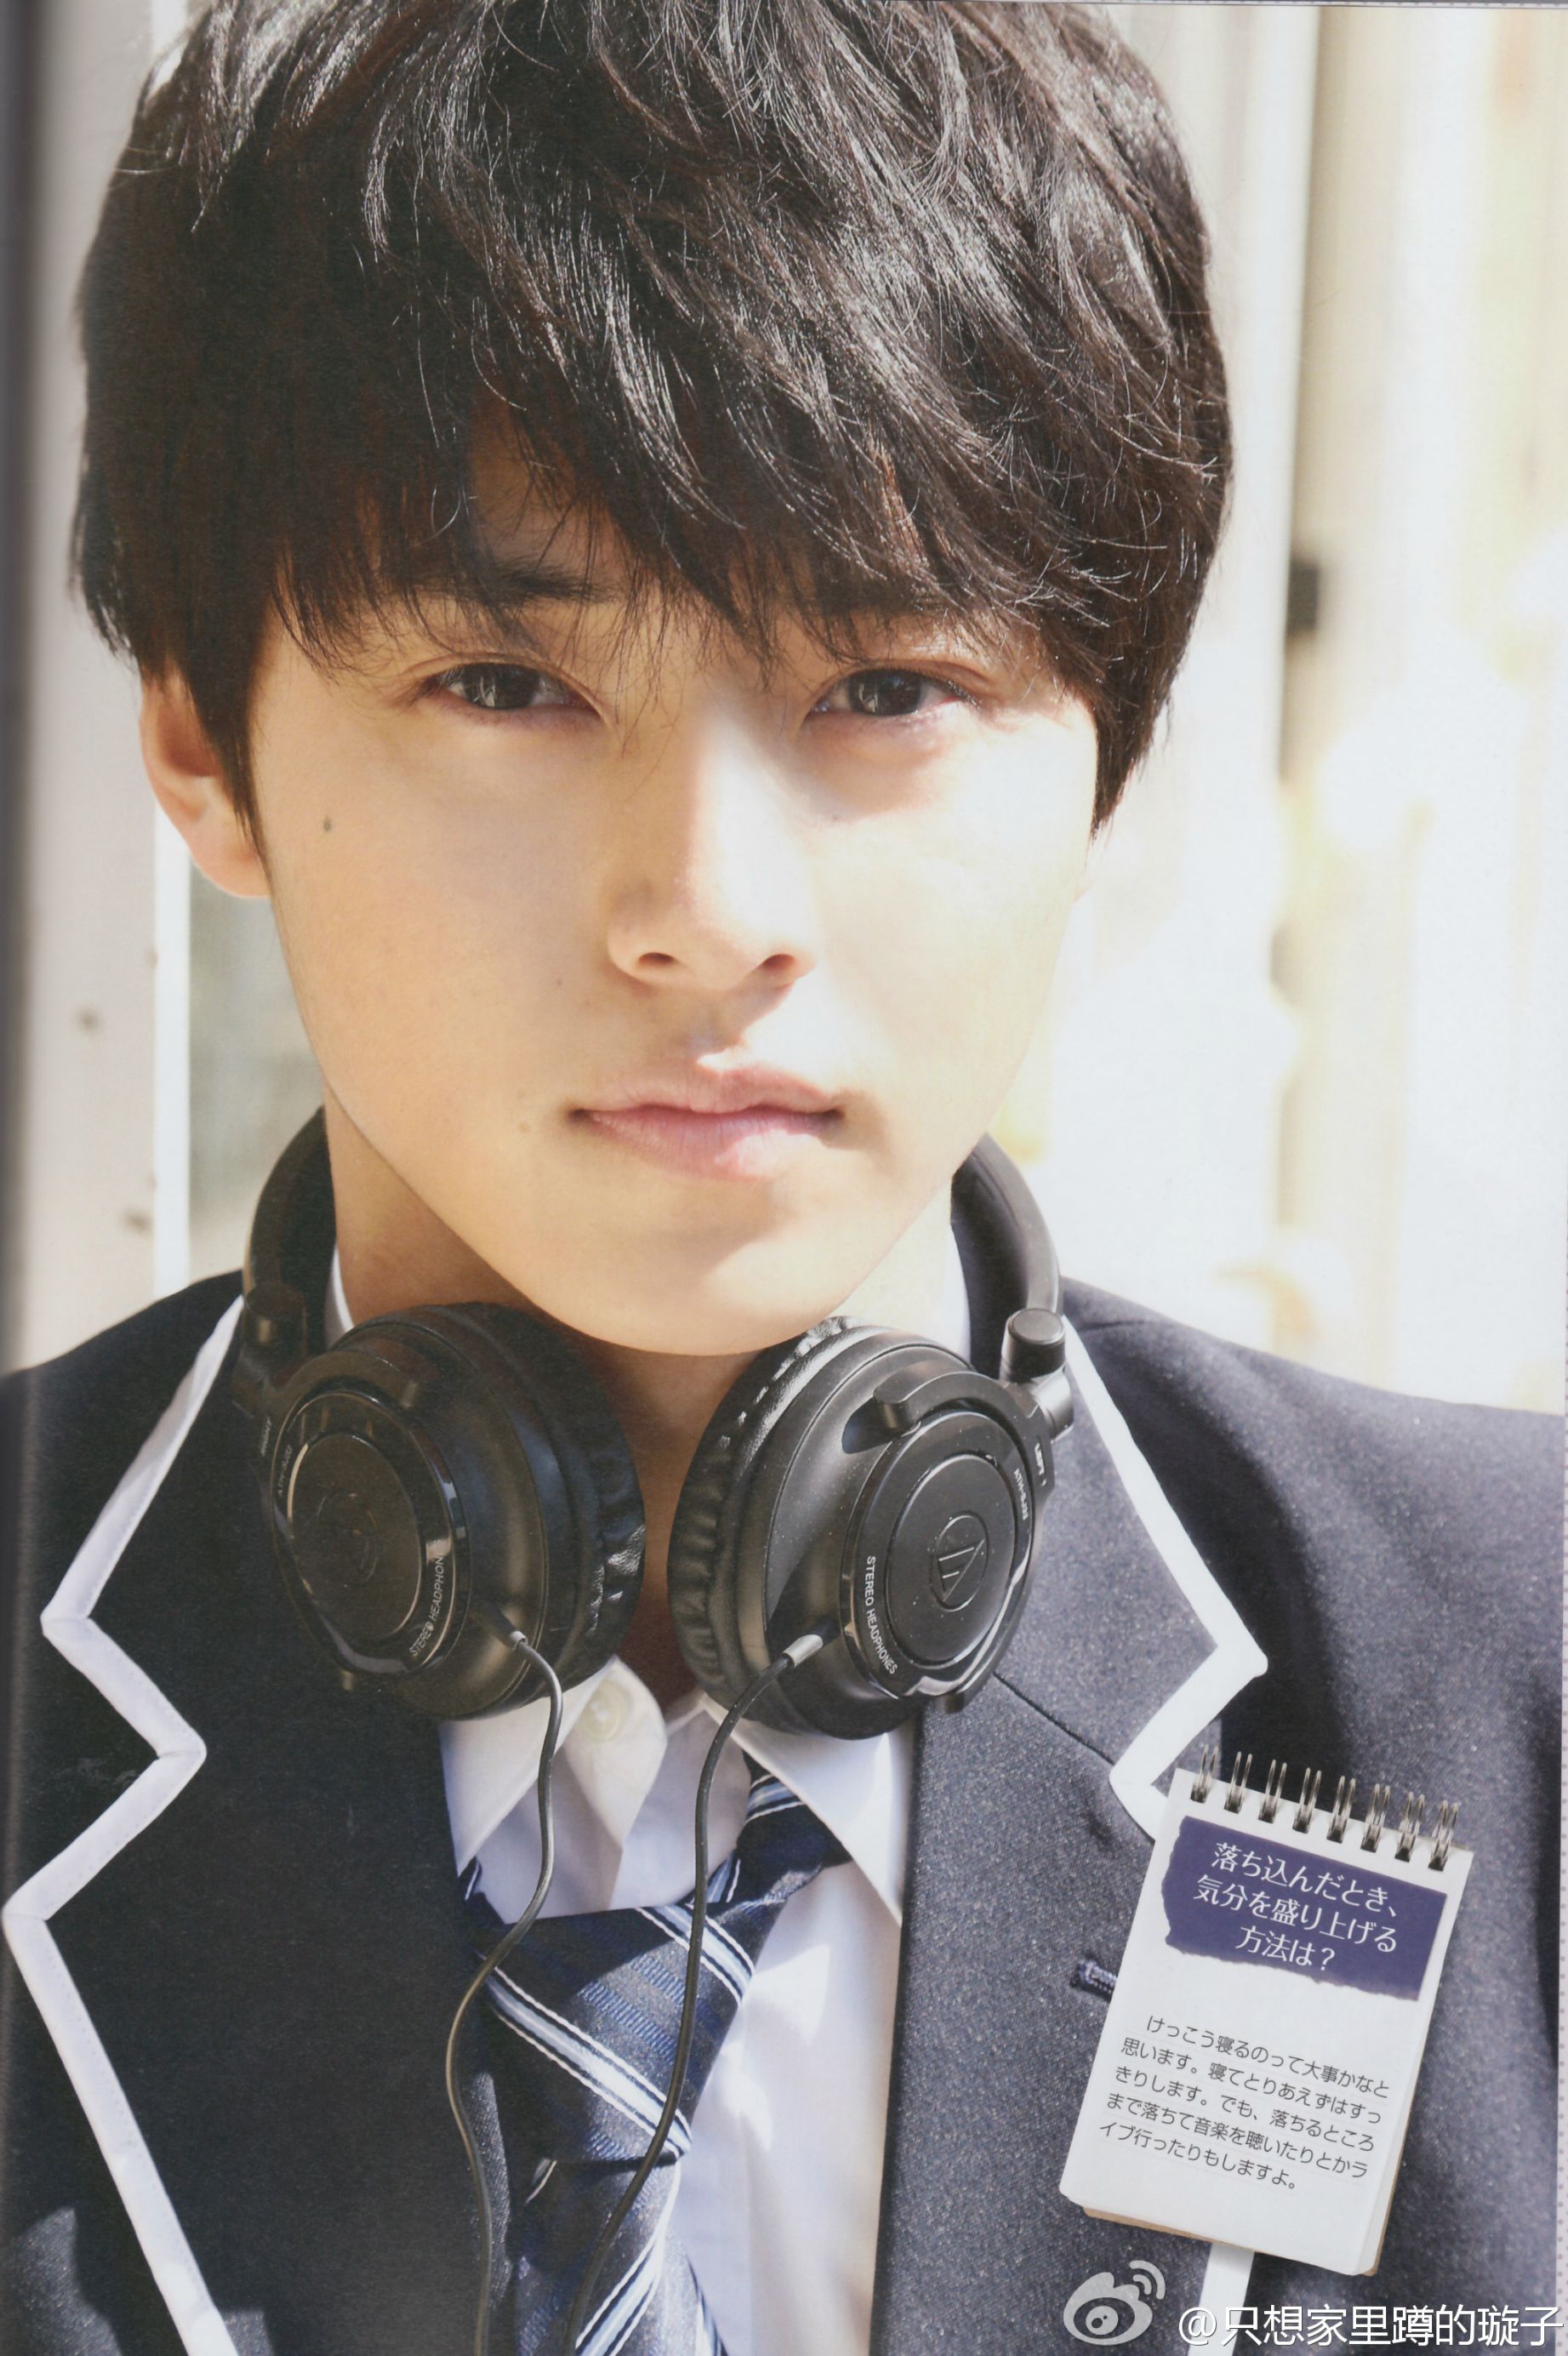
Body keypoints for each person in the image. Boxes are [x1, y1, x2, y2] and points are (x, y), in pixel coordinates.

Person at [0, 4, 1556, 2353]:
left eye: (889, 687)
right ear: (203, 743)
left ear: (1109, 759)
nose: (709, 907)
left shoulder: (1514, 1676)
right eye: (508, 685)